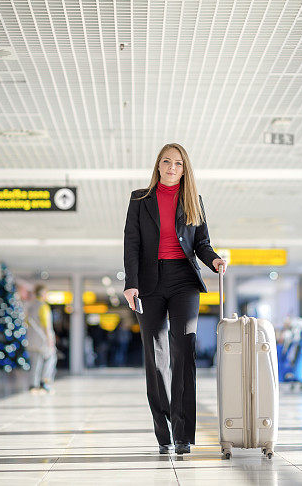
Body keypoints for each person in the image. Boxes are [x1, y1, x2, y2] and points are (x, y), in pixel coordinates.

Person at [123, 143, 227, 455]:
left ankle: (183, 433)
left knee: (185, 351)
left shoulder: (193, 200)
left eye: (178, 163)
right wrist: (131, 284)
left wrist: (215, 261)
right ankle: (163, 431)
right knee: (156, 360)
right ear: (158, 166)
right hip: (149, 282)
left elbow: (203, 243)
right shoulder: (140, 199)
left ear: (185, 169)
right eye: (166, 162)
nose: (171, 167)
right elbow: (131, 243)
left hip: (184, 281)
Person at [26, 284, 57, 392]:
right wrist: (50, 340)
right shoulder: (43, 306)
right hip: (43, 339)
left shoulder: (30, 306)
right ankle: (44, 382)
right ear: (43, 293)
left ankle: (33, 385)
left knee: (35, 363)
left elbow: (27, 323)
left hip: (31, 339)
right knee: (51, 359)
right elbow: (46, 325)